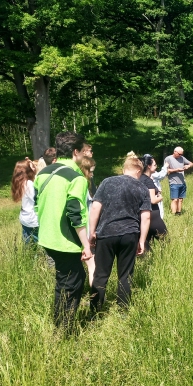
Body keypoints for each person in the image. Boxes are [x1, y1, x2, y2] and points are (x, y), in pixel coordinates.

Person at [35, 131, 92, 329]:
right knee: (72, 283)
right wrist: (86, 245)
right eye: (83, 151)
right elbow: (76, 214)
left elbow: (37, 204)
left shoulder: (43, 173)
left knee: (67, 279)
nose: (85, 155)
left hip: (46, 237)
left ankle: (60, 323)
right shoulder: (76, 178)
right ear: (76, 152)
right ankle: (63, 329)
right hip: (65, 241)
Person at [88, 156, 151, 313]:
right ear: (139, 171)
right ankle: (123, 311)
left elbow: (95, 207)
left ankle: (95, 311)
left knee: (100, 274)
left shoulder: (107, 182)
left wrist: (92, 232)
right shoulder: (142, 188)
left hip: (106, 233)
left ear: (124, 169)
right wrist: (142, 240)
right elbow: (146, 217)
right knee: (125, 275)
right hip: (130, 234)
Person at [141, 154, 168, 246]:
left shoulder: (139, 178)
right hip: (153, 215)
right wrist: (160, 197)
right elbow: (152, 200)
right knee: (166, 241)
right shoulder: (148, 180)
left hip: (142, 215)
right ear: (149, 166)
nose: (156, 167)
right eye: (155, 165)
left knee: (146, 242)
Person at [11, 158, 39, 244]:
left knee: (27, 244)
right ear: (27, 170)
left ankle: (27, 253)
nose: (34, 167)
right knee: (39, 243)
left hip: (24, 217)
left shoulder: (20, 183)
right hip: (33, 219)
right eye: (32, 166)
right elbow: (37, 198)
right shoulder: (30, 184)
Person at [80, 156, 97, 286]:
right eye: (90, 171)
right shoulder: (82, 186)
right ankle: (95, 295)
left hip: (82, 231)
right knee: (93, 268)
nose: (92, 174)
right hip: (85, 231)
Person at [164, 146, 193, 216]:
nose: (180, 155)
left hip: (182, 182)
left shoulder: (182, 158)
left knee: (180, 199)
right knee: (175, 199)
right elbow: (166, 170)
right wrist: (176, 170)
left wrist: (188, 166)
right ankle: (173, 214)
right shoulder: (168, 158)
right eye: (179, 154)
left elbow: (191, 163)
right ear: (175, 152)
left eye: (181, 154)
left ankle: (179, 213)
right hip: (174, 182)